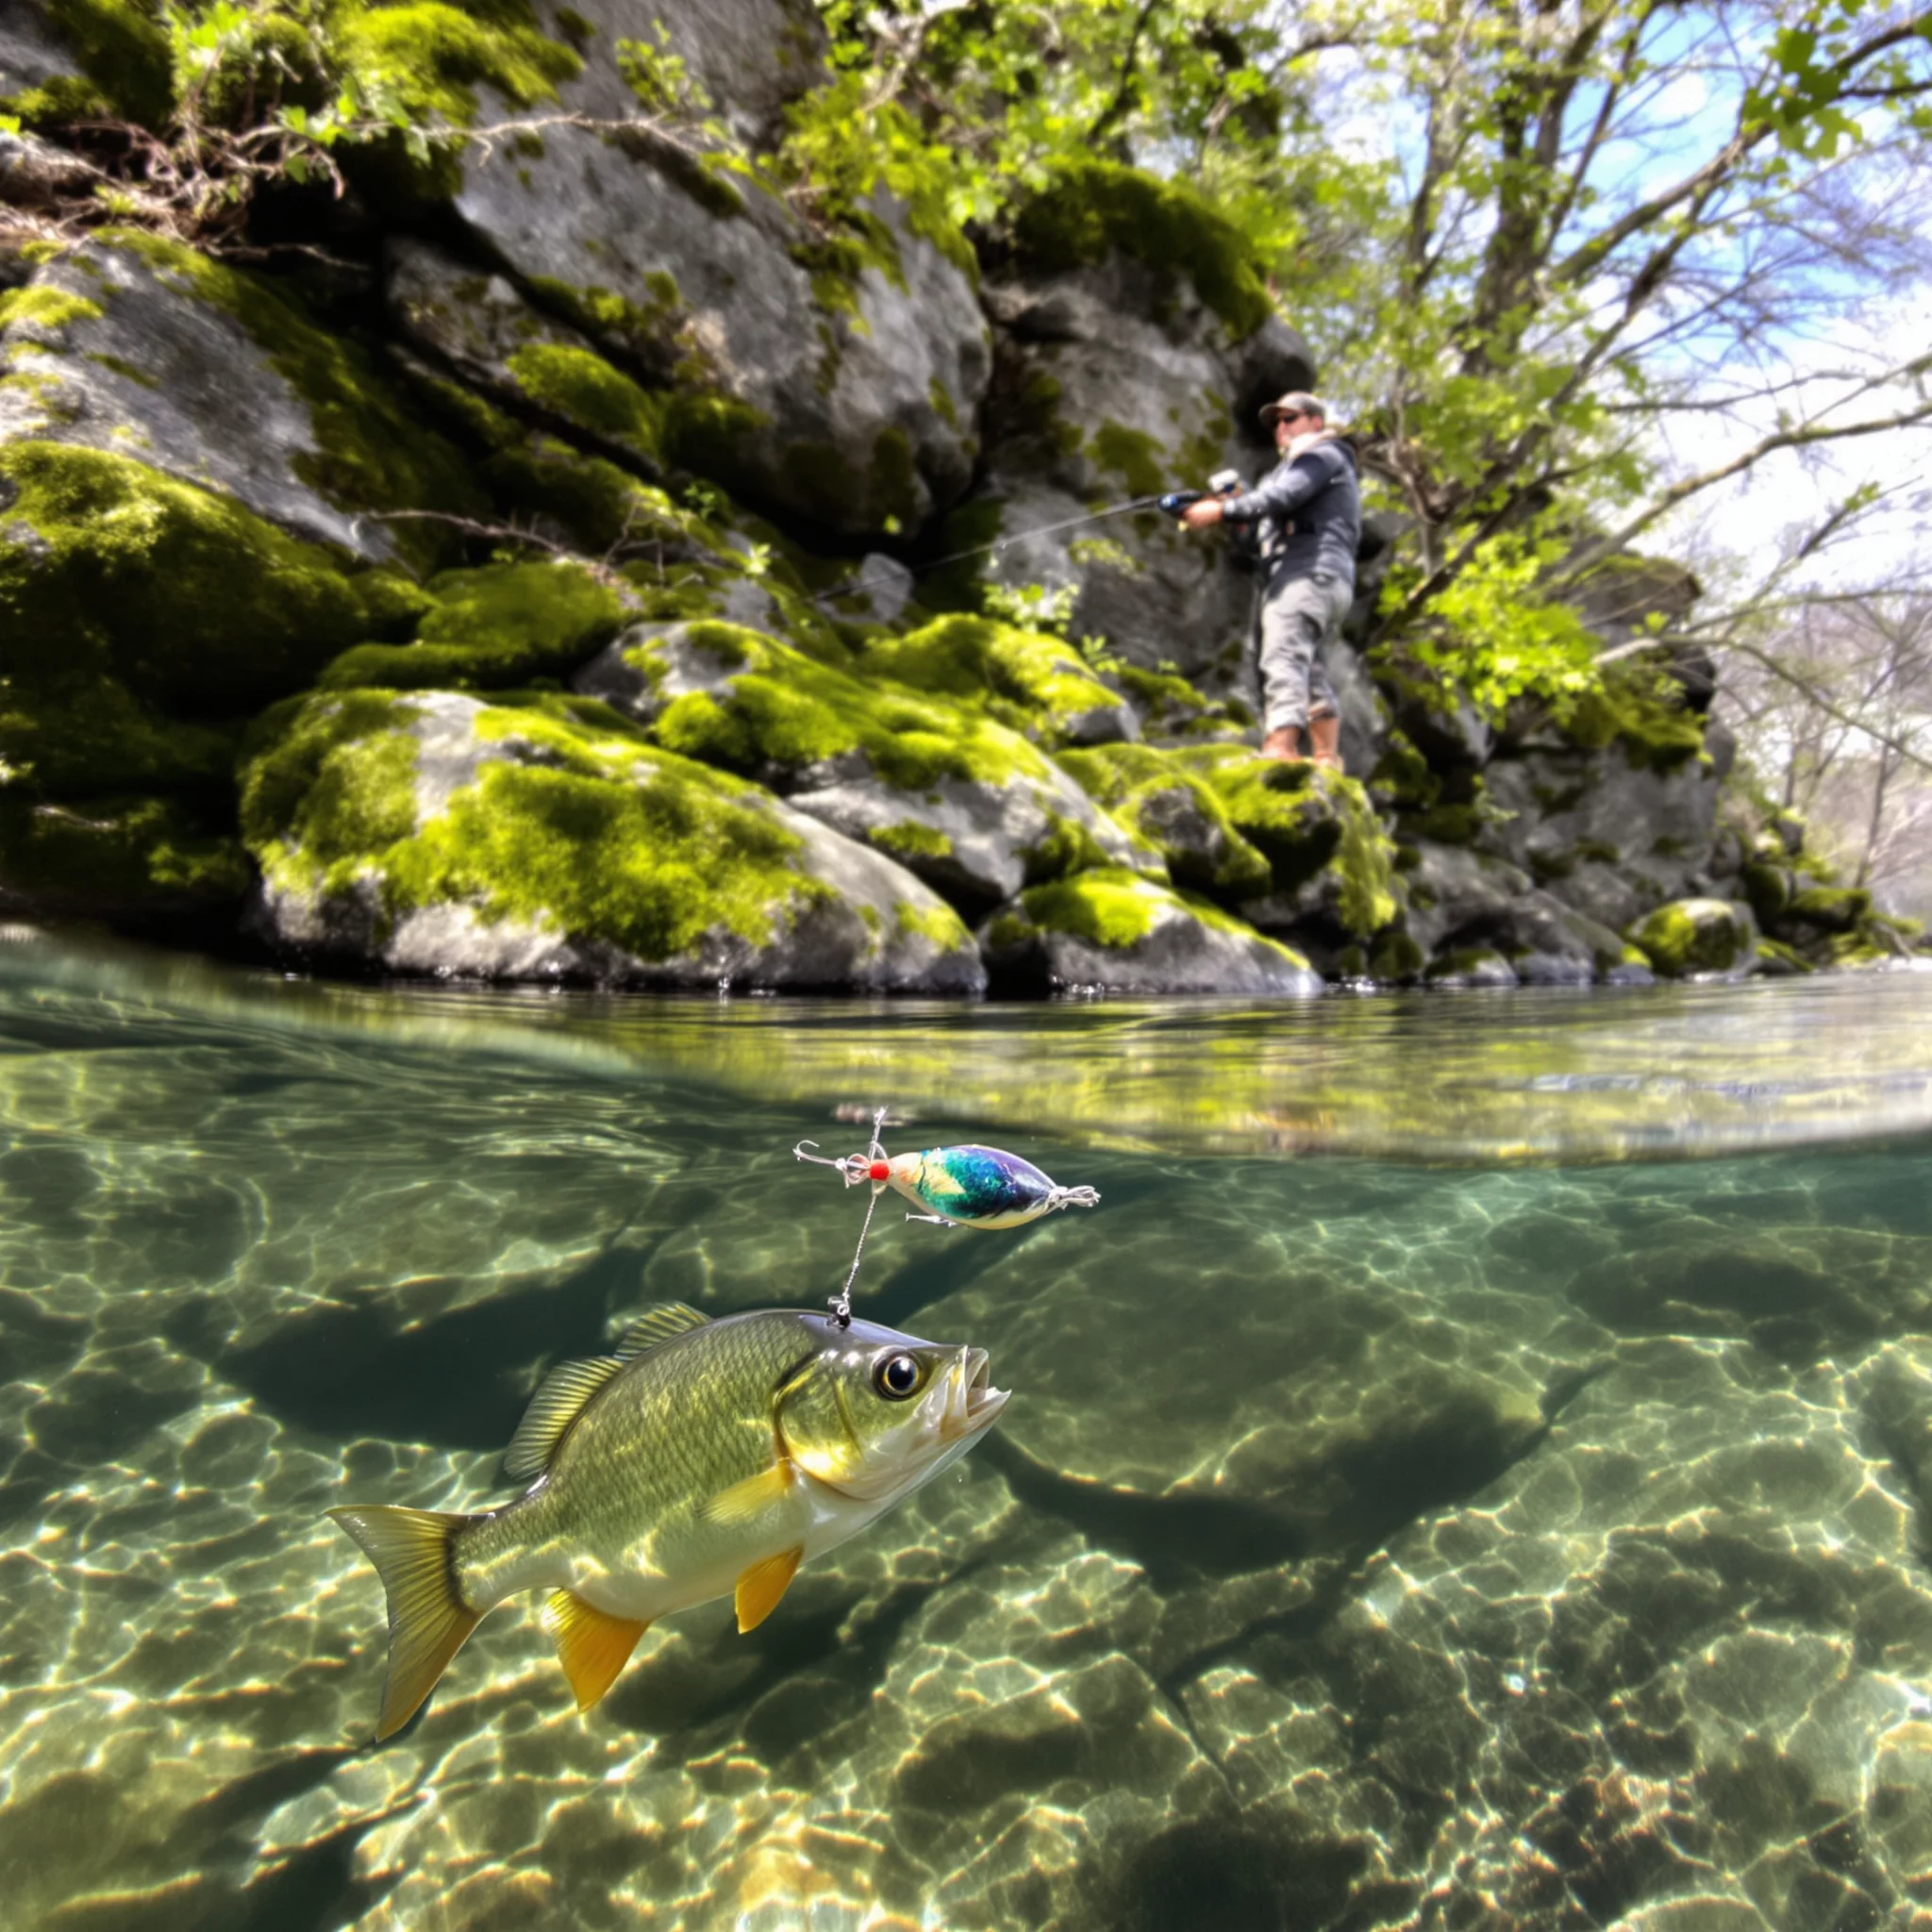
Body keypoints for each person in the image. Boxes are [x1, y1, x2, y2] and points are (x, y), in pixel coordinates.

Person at [1180, 391, 1360, 770]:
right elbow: (1256, 538)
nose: (1280, 428)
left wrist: (1222, 509)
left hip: (1306, 574)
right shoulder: (1298, 469)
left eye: (1289, 418)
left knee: (1283, 655)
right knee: (1311, 668)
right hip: (1326, 580)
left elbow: (1279, 497)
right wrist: (1235, 515)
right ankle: (1327, 759)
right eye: (1276, 423)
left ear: (1315, 421)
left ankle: (1279, 750)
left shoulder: (1321, 455)